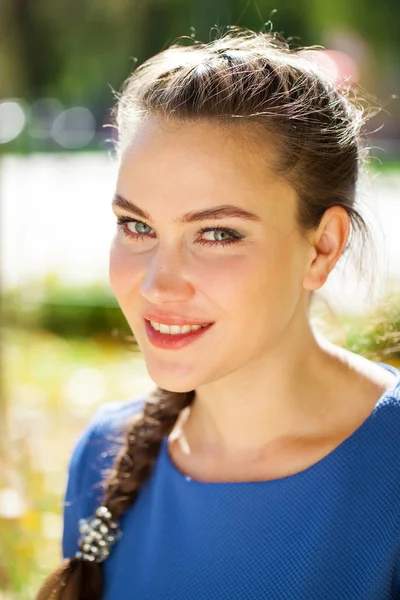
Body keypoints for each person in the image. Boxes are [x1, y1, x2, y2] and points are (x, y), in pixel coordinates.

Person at [36, 27, 400, 600]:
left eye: (217, 233)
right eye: (137, 226)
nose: (159, 284)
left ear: (323, 247)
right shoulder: (102, 455)